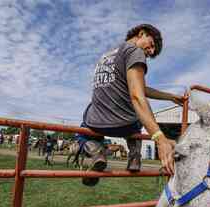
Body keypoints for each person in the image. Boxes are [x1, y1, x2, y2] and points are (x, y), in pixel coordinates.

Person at [77, 24, 183, 186]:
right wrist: (159, 138)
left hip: (96, 123)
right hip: (125, 124)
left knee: (82, 133)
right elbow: (136, 94)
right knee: (138, 118)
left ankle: (97, 153)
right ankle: (134, 156)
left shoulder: (106, 56)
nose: (151, 52)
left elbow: (138, 87)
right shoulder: (135, 51)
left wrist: (169, 97)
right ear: (141, 33)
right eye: (152, 45)